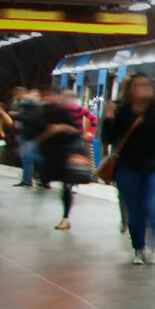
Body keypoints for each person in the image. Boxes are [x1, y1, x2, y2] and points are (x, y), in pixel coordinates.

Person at [100, 72, 155, 265]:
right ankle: (139, 248)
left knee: (150, 206)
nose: (143, 89)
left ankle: (150, 247)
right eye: (138, 85)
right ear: (130, 90)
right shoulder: (122, 113)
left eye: (146, 85)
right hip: (128, 167)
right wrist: (108, 119)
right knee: (135, 210)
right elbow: (108, 139)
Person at [37, 88, 89, 228]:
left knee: (66, 186)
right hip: (52, 155)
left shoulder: (67, 112)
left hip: (65, 155)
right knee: (56, 182)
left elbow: (77, 132)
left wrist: (61, 128)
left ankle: (65, 218)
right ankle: (65, 217)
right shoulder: (44, 113)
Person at [15, 89, 44, 188]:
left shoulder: (37, 108)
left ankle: (29, 180)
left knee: (30, 158)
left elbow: (29, 119)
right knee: (28, 158)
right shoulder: (30, 107)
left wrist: (16, 116)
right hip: (27, 135)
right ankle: (28, 179)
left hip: (32, 137)